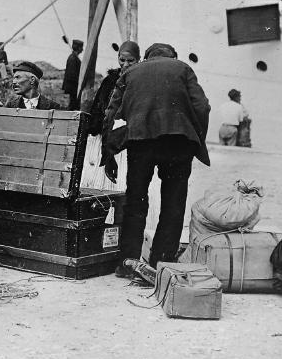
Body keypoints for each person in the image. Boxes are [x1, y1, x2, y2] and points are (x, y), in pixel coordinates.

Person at [104, 42, 211, 275]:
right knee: (173, 201)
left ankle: (128, 261)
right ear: (173, 55)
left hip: (141, 141)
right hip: (178, 141)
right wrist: (195, 137)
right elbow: (202, 106)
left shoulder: (131, 72)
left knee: (135, 200)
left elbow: (112, 113)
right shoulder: (182, 68)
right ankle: (162, 260)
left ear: (147, 57)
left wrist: (109, 151)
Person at [86, 41, 141, 189]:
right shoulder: (109, 80)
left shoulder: (140, 81)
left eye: (131, 61)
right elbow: (97, 106)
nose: (125, 64)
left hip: (125, 139)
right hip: (106, 134)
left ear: (139, 59)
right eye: (122, 60)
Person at [63, 39, 84, 110]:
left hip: (74, 87)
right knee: (73, 105)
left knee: (74, 104)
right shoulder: (72, 58)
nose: (82, 49)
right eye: (81, 47)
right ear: (78, 48)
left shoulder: (74, 57)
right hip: (73, 87)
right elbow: (71, 76)